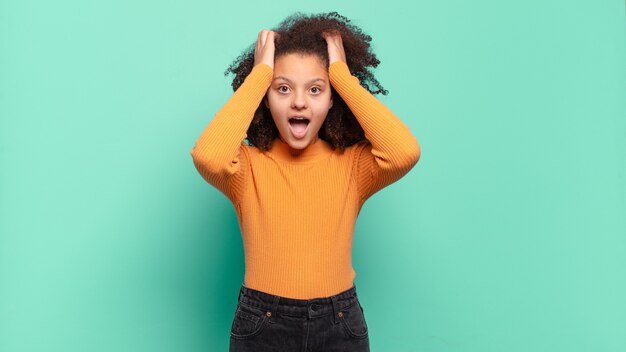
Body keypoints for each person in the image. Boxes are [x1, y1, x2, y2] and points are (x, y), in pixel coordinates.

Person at [190, 11, 421, 352]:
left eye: (315, 89)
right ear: (266, 100)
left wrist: (342, 78)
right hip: (263, 323)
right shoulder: (247, 168)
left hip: (338, 322)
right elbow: (207, 156)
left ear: (331, 101)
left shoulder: (353, 166)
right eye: (282, 89)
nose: (299, 101)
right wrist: (260, 75)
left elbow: (405, 151)